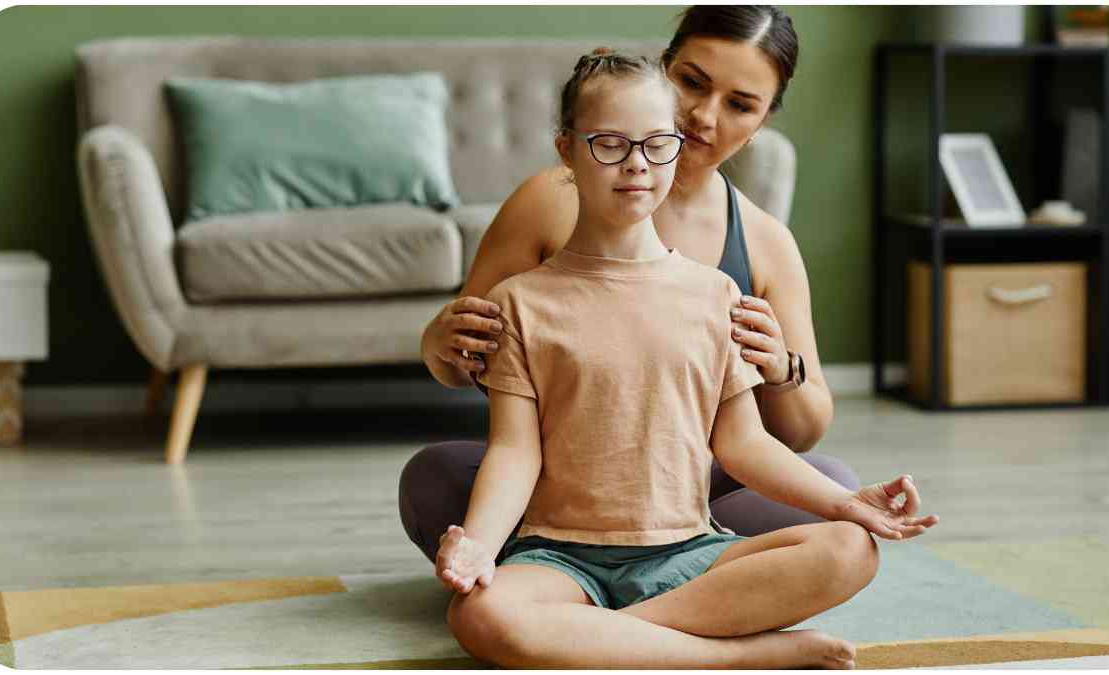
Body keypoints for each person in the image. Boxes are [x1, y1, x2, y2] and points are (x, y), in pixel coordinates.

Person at [436, 48, 939, 669]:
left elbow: (743, 445)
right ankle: (741, 657)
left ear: (677, 145)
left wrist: (847, 504)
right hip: (559, 556)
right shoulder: (520, 302)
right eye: (609, 144)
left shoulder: (716, 295)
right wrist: (482, 547)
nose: (636, 166)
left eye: (656, 144)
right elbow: (515, 451)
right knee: (479, 614)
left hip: (688, 551)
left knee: (850, 549)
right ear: (566, 150)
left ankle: (599, 640)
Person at [402, 5, 855, 566]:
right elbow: (469, 362)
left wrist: (781, 370)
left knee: (832, 482)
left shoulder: (766, 243)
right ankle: (690, 587)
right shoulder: (549, 199)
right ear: (662, 69)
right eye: (692, 82)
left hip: (695, 488)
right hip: (559, 481)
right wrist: (436, 345)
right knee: (433, 478)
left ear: (763, 121)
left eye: (740, 105)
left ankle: (597, 589)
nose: (703, 116)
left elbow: (803, 433)